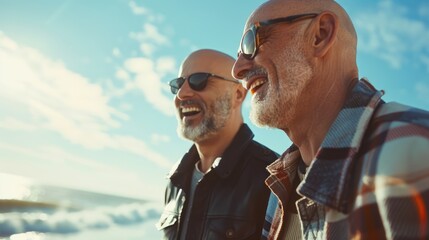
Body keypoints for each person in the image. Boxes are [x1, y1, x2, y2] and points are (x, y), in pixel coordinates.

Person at [232, 0, 429, 239]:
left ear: (320, 35)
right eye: (238, 54)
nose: (237, 69)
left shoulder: (415, 149)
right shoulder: (280, 185)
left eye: (251, 41)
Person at [156, 49, 278, 240]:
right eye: (177, 84)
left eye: (199, 80)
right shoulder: (175, 180)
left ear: (238, 94)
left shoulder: (272, 178)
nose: (182, 94)